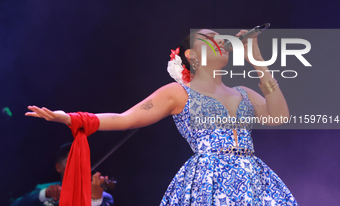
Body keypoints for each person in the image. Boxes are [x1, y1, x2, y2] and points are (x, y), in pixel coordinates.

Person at [26, 29, 298, 205]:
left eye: (220, 37)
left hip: (254, 179)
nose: (220, 40)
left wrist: (258, 61)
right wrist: (72, 118)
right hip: (209, 181)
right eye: (209, 38)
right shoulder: (179, 93)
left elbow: (279, 117)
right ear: (192, 55)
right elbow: (125, 119)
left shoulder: (244, 92)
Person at [10, 143, 114, 206]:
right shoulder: (43, 189)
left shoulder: (104, 197)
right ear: (58, 167)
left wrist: (95, 200)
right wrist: (44, 194)